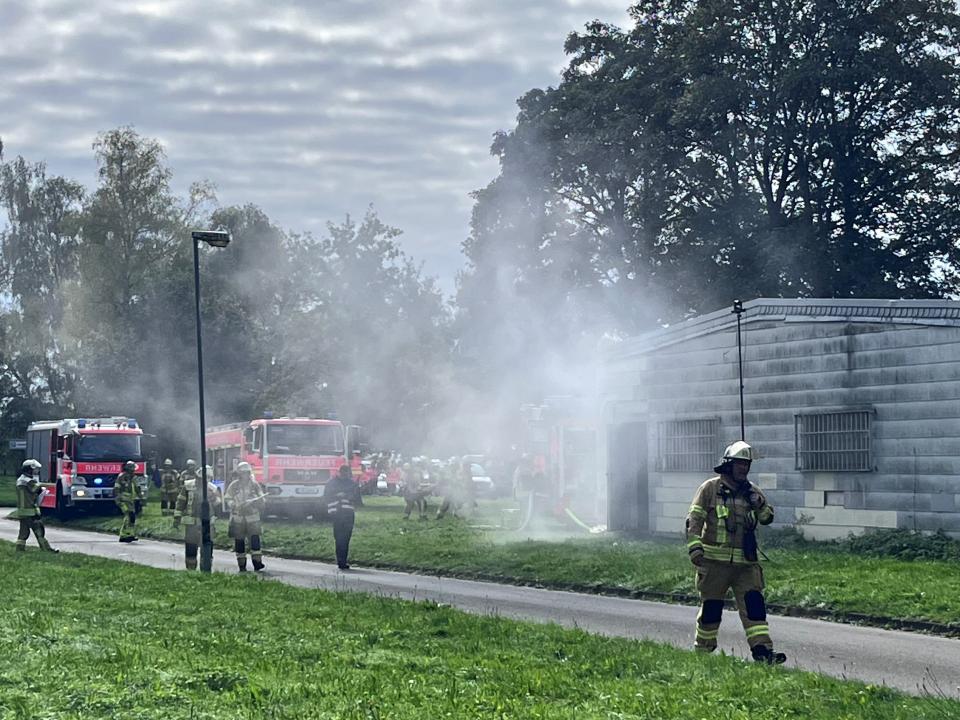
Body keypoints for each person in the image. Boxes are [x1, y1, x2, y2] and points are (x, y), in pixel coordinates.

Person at [685, 441, 786, 664]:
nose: (744, 469)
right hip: (714, 563)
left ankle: (763, 653)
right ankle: (703, 653)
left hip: (746, 565)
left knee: (755, 608)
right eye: (740, 464)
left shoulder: (752, 492)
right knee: (711, 610)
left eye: (747, 465)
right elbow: (694, 520)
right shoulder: (710, 489)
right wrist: (695, 549)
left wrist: (759, 505)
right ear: (728, 465)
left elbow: (767, 518)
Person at [173, 464, 219, 570]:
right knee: (191, 549)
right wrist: (177, 518)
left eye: (207, 479)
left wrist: (213, 498)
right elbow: (181, 502)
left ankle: (206, 571)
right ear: (197, 477)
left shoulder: (212, 488)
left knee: (207, 549)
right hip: (191, 524)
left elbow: (218, 506)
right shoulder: (188, 486)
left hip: (207, 525)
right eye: (201, 478)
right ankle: (190, 571)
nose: (203, 481)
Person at [224, 461, 267, 572]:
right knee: (240, 543)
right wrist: (234, 505)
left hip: (253, 518)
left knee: (255, 542)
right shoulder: (234, 485)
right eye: (243, 473)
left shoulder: (255, 485)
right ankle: (242, 566)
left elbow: (262, 499)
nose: (245, 475)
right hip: (238, 519)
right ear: (239, 474)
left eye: (247, 473)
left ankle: (257, 563)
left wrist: (255, 502)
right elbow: (227, 498)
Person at [12, 459, 57, 553]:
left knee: (24, 531)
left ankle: (19, 549)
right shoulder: (28, 481)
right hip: (29, 510)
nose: (35, 472)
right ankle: (46, 549)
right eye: (34, 470)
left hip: (22, 510)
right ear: (29, 470)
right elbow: (36, 488)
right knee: (38, 530)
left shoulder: (20, 480)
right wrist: (52, 485)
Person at [323, 464, 361, 570]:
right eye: (344, 473)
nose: (346, 475)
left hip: (348, 514)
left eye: (347, 473)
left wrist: (350, 497)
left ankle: (342, 560)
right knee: (339, 538)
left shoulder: (352, 484)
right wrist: (338, 495)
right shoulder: (332, 483)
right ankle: (341, 560)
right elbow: (326, 497)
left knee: (345, 538)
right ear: (340, 472)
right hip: (337, 514)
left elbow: (358, 500)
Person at [114, 460, 144, 543]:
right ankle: (124, 535)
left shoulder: (133, 477)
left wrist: (141, 497)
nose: (134, 470)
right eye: (132, 469)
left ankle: (129, 534)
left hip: (130, 500)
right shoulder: (121, 476)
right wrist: (118, 498)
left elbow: (137, 487)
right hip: (123, 500)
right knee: (129, 515)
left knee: (132, 517)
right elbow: (116, 488)